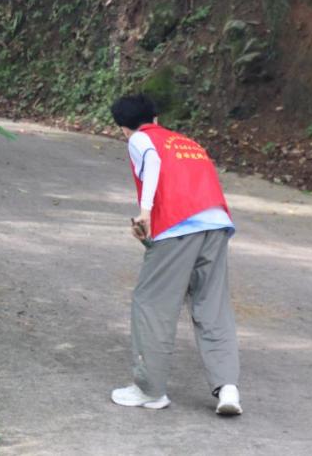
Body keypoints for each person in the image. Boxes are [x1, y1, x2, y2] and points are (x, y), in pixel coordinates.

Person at [108, 94, 243, 414]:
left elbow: (153, 163)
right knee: (212, 305)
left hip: (178, 226)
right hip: (217, 225)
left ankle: (150, 390)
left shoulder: (140, 139)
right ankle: (227, 388)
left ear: (124, 129)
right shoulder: (186, 142)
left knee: (152, 303)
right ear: (156, 118)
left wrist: (144, 213)